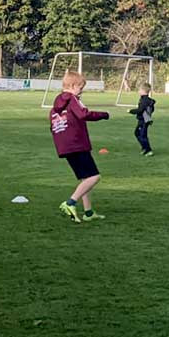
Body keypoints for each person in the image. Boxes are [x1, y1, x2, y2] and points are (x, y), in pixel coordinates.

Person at [50, 71, 111, 224]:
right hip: (77, 144)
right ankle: (70, 203)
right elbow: (83, 114)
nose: (82, 90)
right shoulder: (72, 99)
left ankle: (88, 212)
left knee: (85, 179)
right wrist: (103, 115)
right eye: (81, 87)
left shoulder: (55, 105)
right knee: (94, 177)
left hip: (65, 147)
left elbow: (52, 126)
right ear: (73, 86)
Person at [128, 83, 156, 156]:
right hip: (142, 120)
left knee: (142, 135)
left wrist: (131, 111)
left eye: (139, 90)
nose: (138, 91)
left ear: (143, 91)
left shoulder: (144, 100)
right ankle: (144, 148)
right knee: (137, 133)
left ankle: (149, 150)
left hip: (144, 121)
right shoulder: (145, 99)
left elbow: (140, 110)